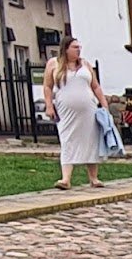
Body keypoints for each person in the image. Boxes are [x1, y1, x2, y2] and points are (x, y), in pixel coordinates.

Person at [43, 38, 110, 189]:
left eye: (79, 47)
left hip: (88, 109)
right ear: (66, 48)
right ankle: (66, 178)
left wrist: (104, 103)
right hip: (66, 110)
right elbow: (47, 86)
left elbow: (95, 86)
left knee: (91, 140)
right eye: (74, 47)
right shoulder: (54, 64)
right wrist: (49, 105)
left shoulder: (85, 64)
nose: (78, 50)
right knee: (67, 139)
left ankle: (93, 178)